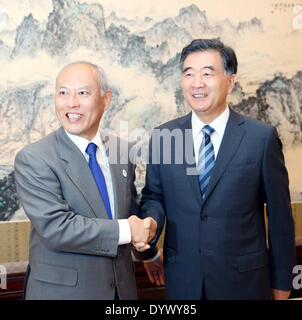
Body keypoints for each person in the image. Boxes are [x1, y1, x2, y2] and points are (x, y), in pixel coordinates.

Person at [135, 39, 296, 300]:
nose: (197, 83)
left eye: (207, 74)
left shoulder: (260, 138)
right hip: (183, 281)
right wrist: (151, 222)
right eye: (189, 74)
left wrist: (282, 284)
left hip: (245, 284)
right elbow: (155, 196)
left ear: (231, 81)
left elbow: (280, 218)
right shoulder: (165, 136)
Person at [14, 61, 157, 300]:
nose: (71, 102)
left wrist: (146, 241)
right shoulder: (34, 158)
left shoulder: (123, 152)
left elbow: (130, 214)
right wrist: (129, 231)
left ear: (106, 99)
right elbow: (57, 228)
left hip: (121, 293)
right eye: (63, 93)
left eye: (83, 93)